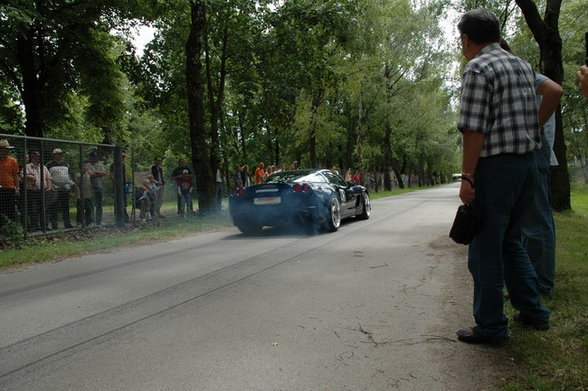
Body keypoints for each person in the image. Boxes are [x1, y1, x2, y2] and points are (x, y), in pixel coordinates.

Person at [455, 8, 550, 344]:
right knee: (511, 242)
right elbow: (549, 94)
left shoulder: (478, 68)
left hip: (496, 170)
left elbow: (474, 129)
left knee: (485, 250)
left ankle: (492, 326)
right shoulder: (521, 64)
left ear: (466, 39)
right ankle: (534, 312)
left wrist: (468, 177)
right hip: (527, 166)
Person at [46, 148, 75, 229]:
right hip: (55, 189)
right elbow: (47, 176)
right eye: (58, 154)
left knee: (65, 206)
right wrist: (51, 186)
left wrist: (69, 183)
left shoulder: (65, 164)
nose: (59, 156)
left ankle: (67, 223)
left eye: (60, 154)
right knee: (54, 207)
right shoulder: (49, 165)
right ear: (54, 155)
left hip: (65, 189)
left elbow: (68, 175)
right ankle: (54, 225)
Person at [25, 151, 52, 231]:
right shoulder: (27, 167)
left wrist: (49, 187)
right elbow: (22, 177)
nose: (36, 158)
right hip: (32, 191)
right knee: (34, 209)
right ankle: (34, 226)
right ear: (31, 157)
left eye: (38, 156)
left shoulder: (43, 167)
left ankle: (44, 225)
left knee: (45, 208)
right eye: (34, 156)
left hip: (44, 191)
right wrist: (29, 176)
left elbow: (49, 178)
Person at [0, 140, 20, 228]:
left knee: (10, 209)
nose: (5, 151)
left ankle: (11, 229)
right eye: (3, 149)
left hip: (10, 188)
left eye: (6, 149)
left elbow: (15, 175)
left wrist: (17, 188)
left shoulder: (13, 161)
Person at [87, 151, 106, 226]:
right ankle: (92, 221)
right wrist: (99, 173)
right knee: (91, 205)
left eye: (96, 157)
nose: (95, 158)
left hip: (100, 187)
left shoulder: (99, 164)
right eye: (93, 157)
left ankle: (99, 221)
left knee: (99, 205)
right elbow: (90, 175)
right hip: (91, 188)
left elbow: (104, 173)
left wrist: (96, 172)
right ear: (90, 157)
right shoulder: (88, 165)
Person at [75, 162, 93, 226]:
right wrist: (78, 195)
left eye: (87, 166)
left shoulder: (88, 174)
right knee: (80, 209)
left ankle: (89, 222)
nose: (87, 167)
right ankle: (79, 222)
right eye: (85, 166)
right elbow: (77, 186)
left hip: (88, 195)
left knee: (88, 209)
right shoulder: (78, 175)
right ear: (81, 167)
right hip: (81, 196)